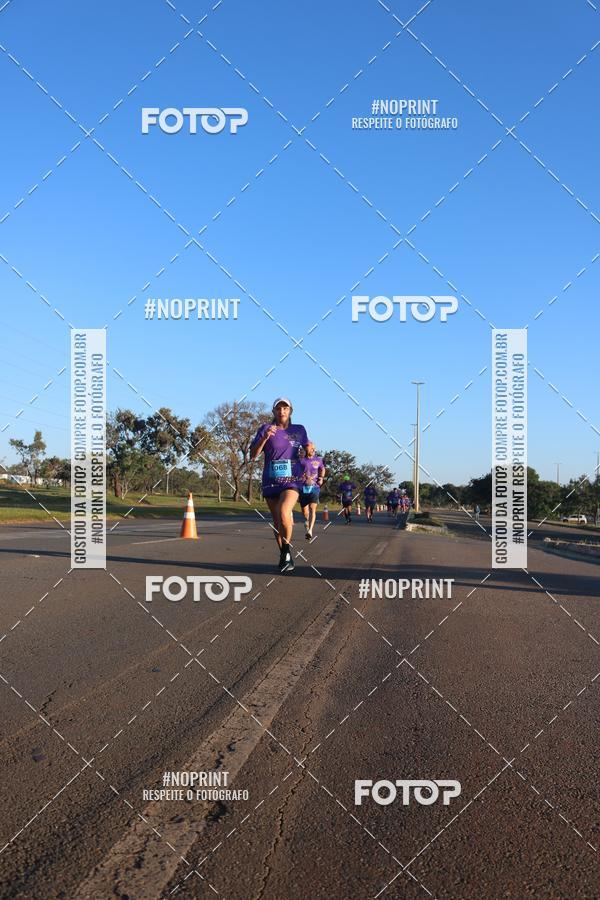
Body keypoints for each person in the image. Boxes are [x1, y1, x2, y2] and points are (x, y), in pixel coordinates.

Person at [250, 397, 308, 573]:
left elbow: (307, 450)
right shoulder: (265, 429)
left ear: (290, 411)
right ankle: (285, 554)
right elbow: (253, 455)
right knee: (277, 521)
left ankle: (285, 552)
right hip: (271, 480)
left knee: (284, 512)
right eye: (278, 408)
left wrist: (307, 459)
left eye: (285, 408)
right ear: (274, 411)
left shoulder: (299, 430)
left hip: (292, 481)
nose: (282, 411)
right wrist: (265, 438)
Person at [296, 441, 326, 540]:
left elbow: (322, 469)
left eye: (313, 448)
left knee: (313, 508)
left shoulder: (319, 460)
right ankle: (307, 523)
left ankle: (310, 531)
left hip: (315, 487)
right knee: (305, 512)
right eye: (310, 448)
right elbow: (295, 471)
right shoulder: (301, 460)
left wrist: (321, 477)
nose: (313, 450)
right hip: (303, 488)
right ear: (306, 450)